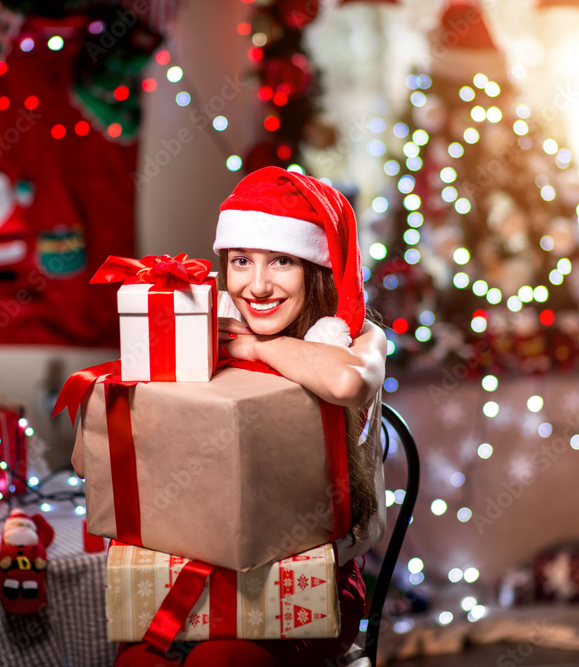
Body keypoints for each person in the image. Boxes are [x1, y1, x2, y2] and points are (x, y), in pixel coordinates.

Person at [116, 167, 388, 667]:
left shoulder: (354, 335)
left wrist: (253, 346)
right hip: (204, 568)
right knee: (137, 660)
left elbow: (348, 382)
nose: (257, 285)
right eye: (242, 260)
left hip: (313, 578)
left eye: (282, 261)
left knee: (223, 662)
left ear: (317, 269)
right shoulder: (213, 318)